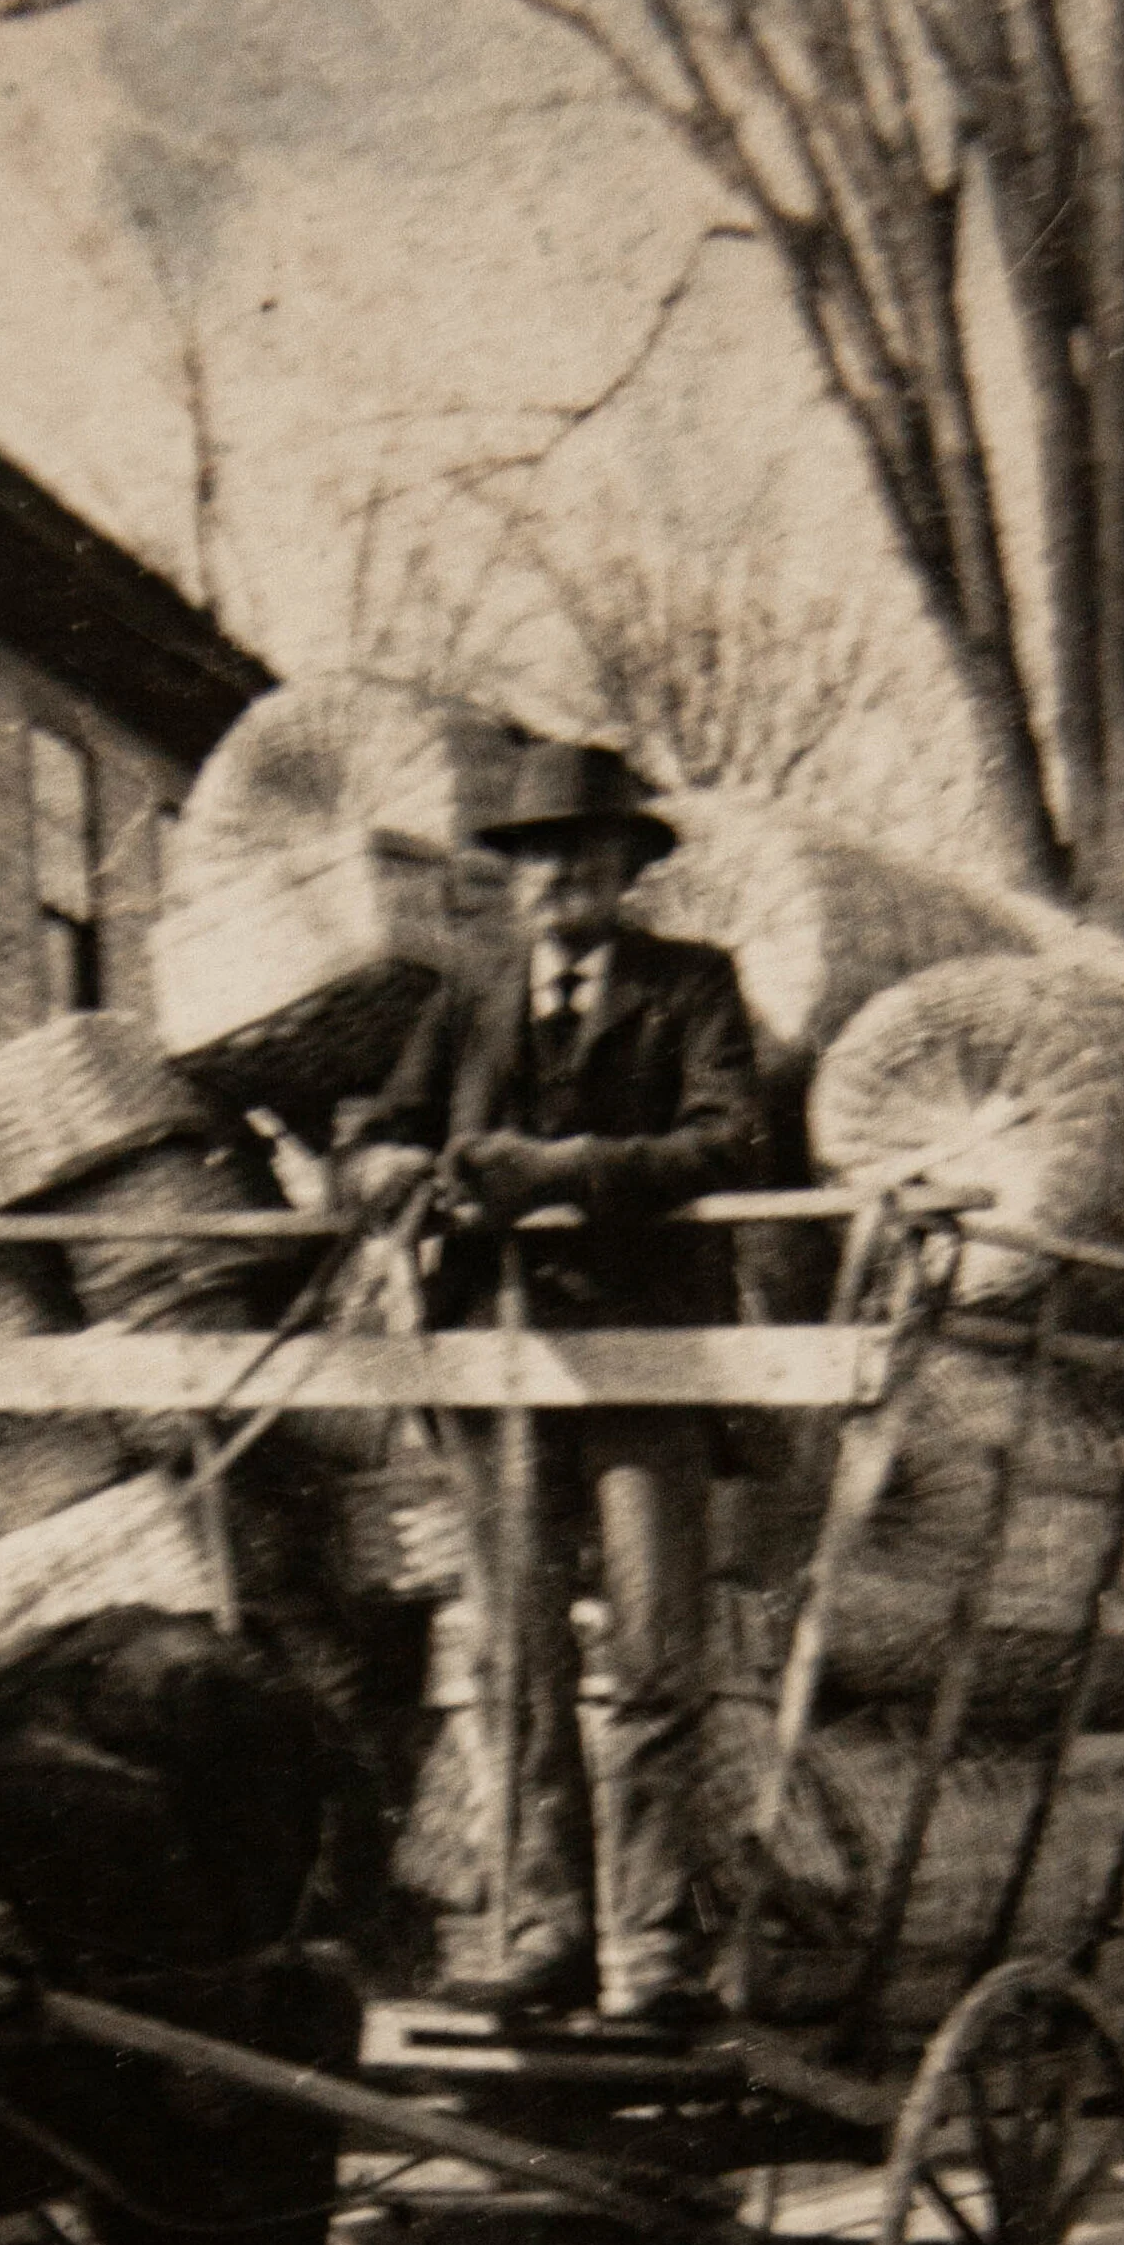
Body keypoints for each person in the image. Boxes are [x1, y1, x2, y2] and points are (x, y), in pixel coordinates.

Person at [332, 741, 763, 2035]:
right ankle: (544, 1934)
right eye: (535, 856)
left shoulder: (693, 985)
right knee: (515, 1657)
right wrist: (385, 1166)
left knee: (648, 1659)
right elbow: (379, 1123)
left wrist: (568, 1167)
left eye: (587, 853)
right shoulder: (470, 999)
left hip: (644, 1361)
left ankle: (655, 1950)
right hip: (496, 1367)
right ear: (511, 880)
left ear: (629, 870)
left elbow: (730, 1134)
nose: (560, 878)